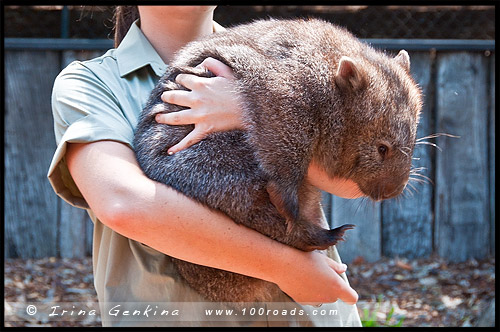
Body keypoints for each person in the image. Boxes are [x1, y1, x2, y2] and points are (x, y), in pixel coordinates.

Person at [48, 5, 363, 327]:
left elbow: (358, 183)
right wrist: (285, 267)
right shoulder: (92, 84)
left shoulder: (287, 54)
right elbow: (123, 203)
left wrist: (246, 110)